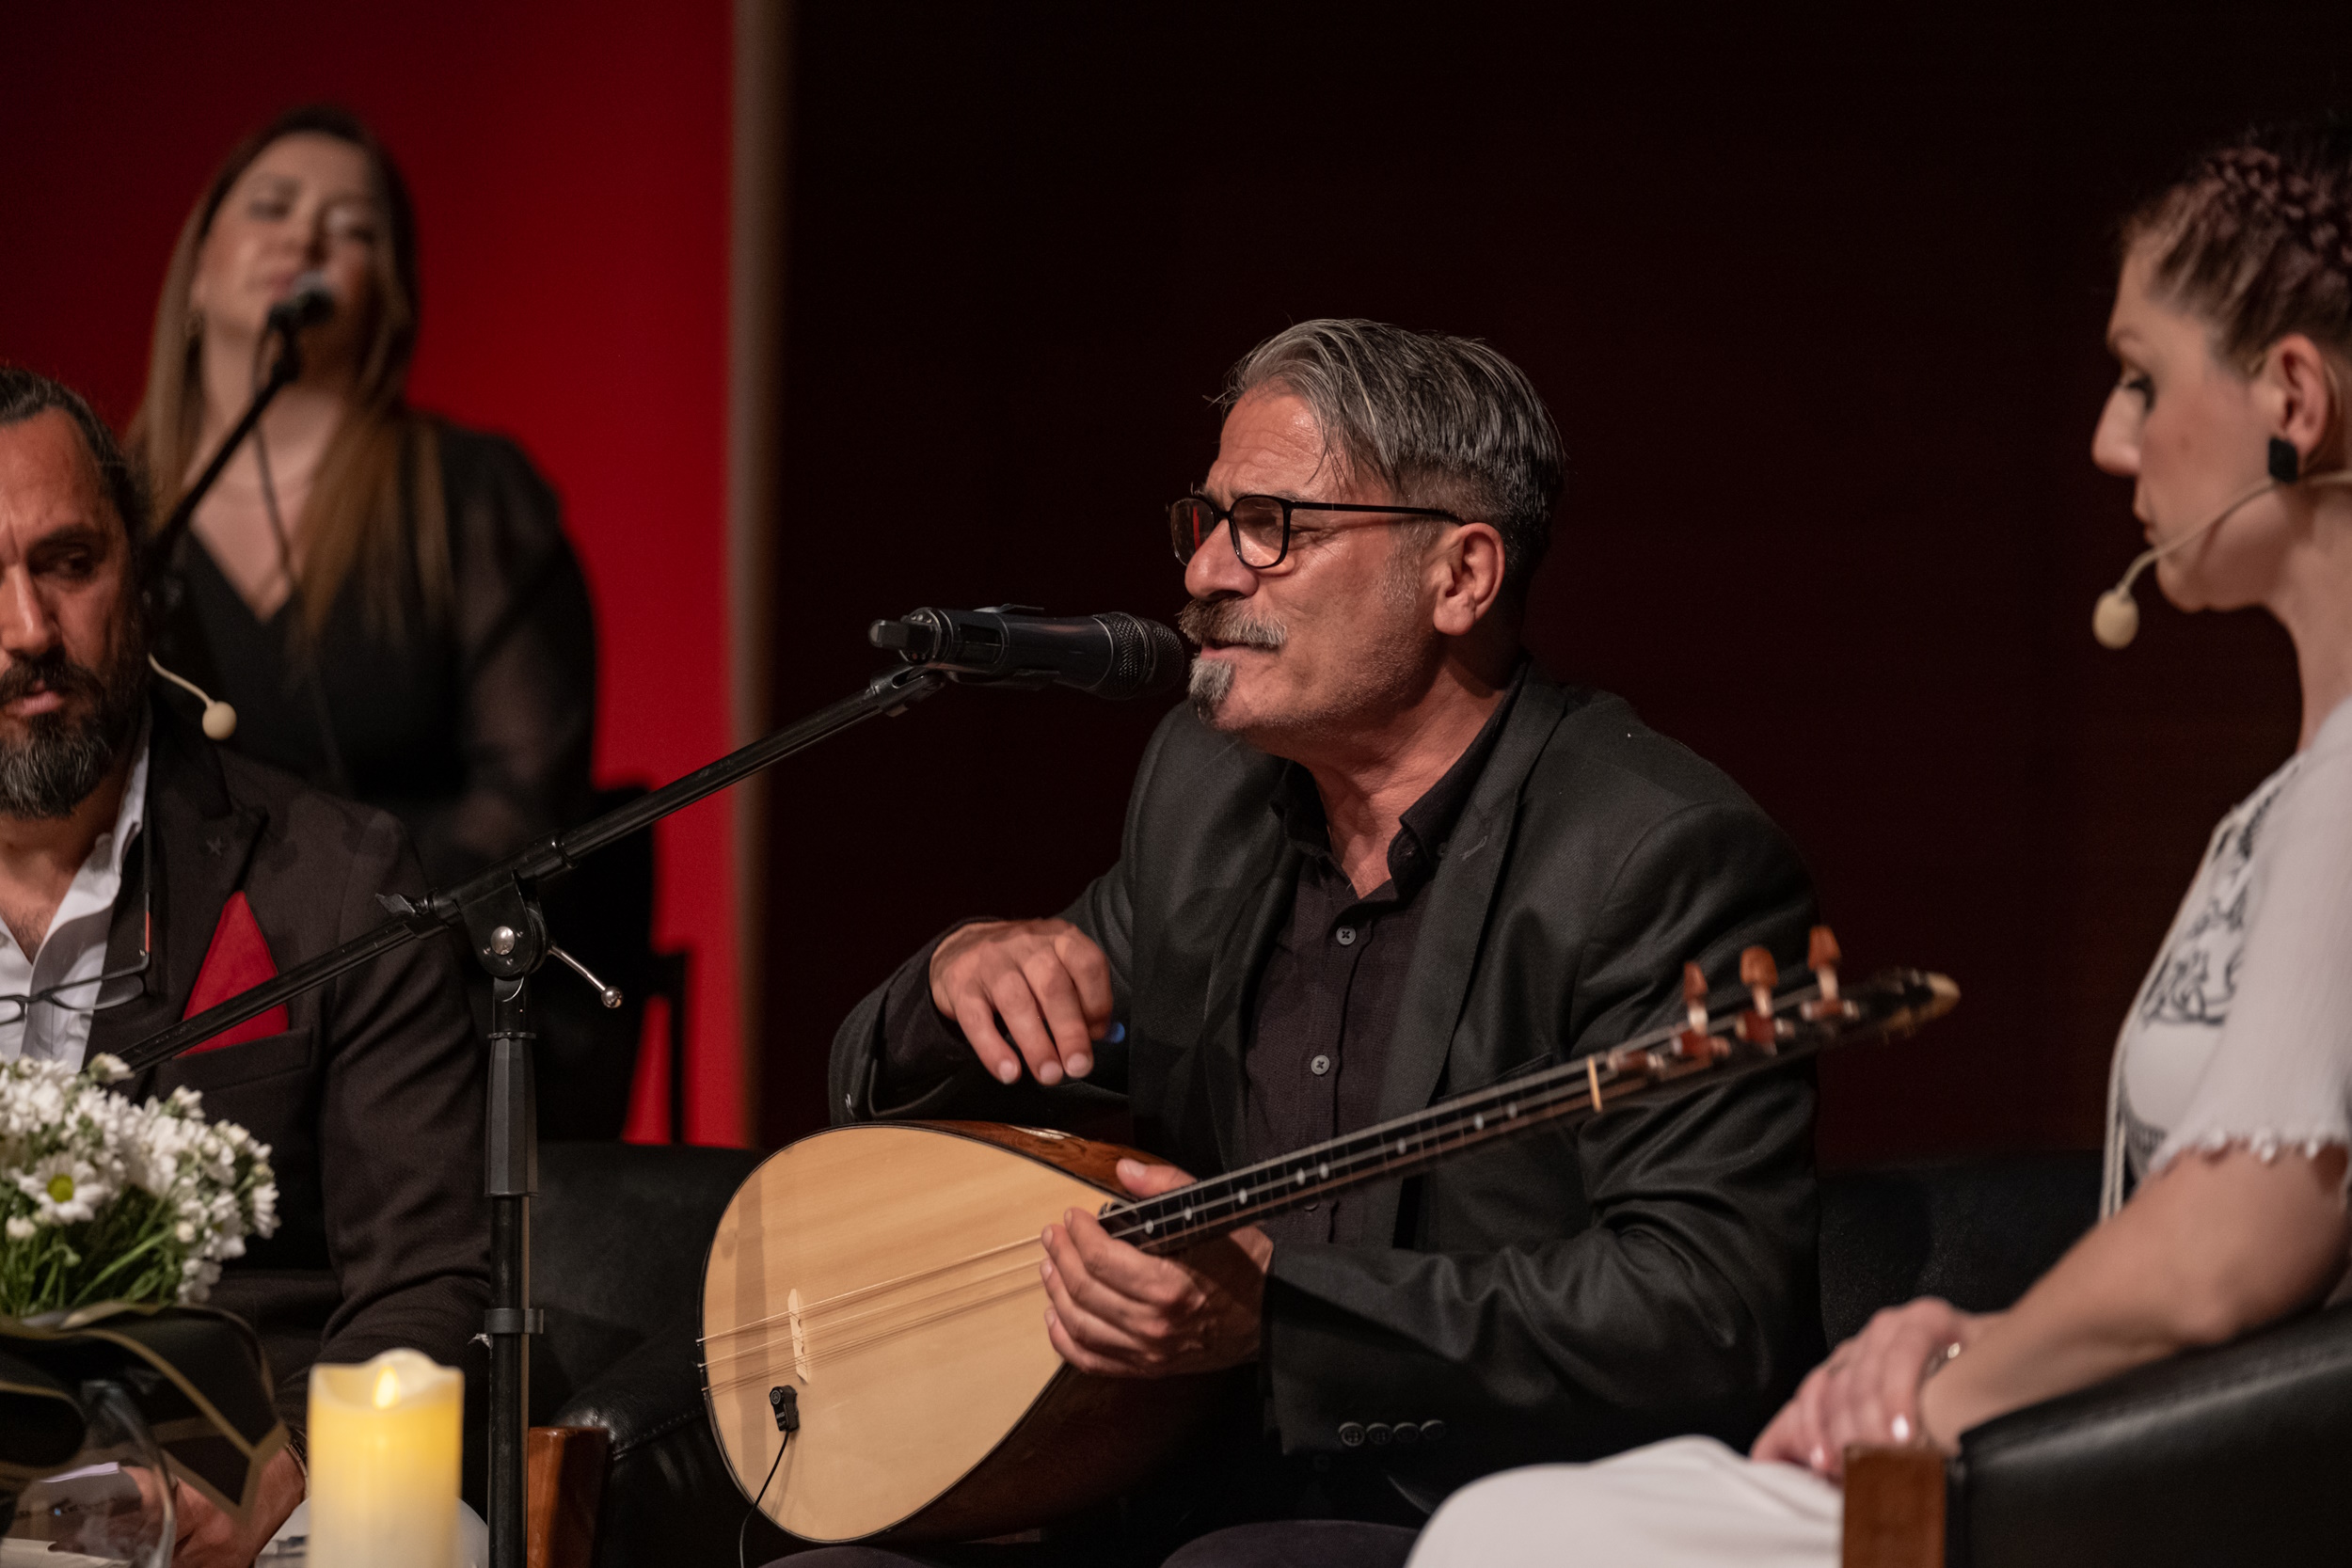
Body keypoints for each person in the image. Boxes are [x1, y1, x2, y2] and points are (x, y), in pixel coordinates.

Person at [1401, 120, 2352, 1567]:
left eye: (2142, 378)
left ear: (2291, 395)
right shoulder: (2300, 794)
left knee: (1517, 1533)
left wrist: (1936, 1396)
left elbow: (2226, 1256)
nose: (2110, 438)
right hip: (2139, 1449)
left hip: (2188, 1494)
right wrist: (1966, 1332)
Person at [797, 320, 1821, 1568]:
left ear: (1461, 575)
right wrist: (954, 984)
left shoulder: (1653, 856)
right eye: (1209, 520)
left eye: (1271, 525)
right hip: (1160, 1483)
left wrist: (1284, 1311)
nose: (1208, 570)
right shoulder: (1205, 794)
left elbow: (1705, 1305)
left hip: (1462, 1513)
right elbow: (951, 1087)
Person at [0, 364, 490, 1568]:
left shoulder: (335, 882)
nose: (28, 631)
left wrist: (280, 1468)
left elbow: (425, 1288)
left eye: (70, 563)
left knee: (415, 1540)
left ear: (141, 576)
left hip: (262, 1487)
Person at [127, 104, 628, 1135]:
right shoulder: (111, 521)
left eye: (351, 227)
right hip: (151, 1004)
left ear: (387, 298)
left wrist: (334, 934)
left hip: (416, 993)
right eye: (272, 207)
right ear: (200, 269)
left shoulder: (468, 497)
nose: (306, 237)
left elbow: (524, 798)